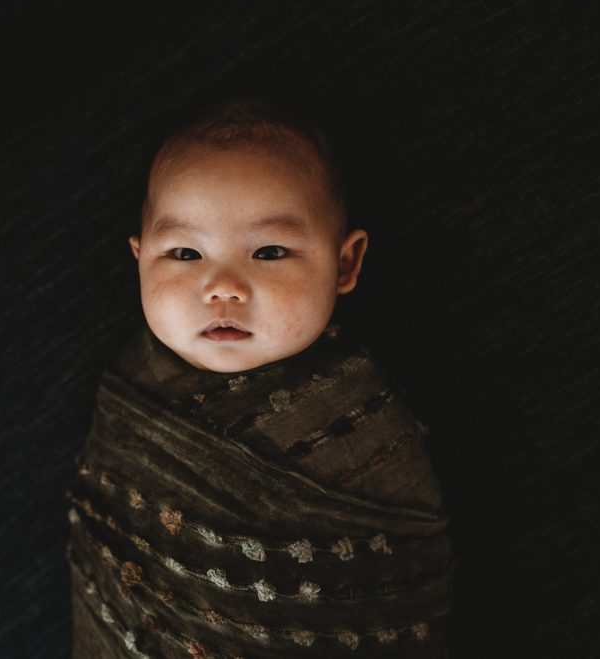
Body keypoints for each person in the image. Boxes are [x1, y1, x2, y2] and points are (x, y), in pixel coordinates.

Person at [65, 96, 456, 658]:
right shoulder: (131, 391)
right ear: (139, 260)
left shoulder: (360, 418)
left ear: (345, 264)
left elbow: (391, 579)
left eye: (269, 252)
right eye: (183, 253)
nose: (223, 286)